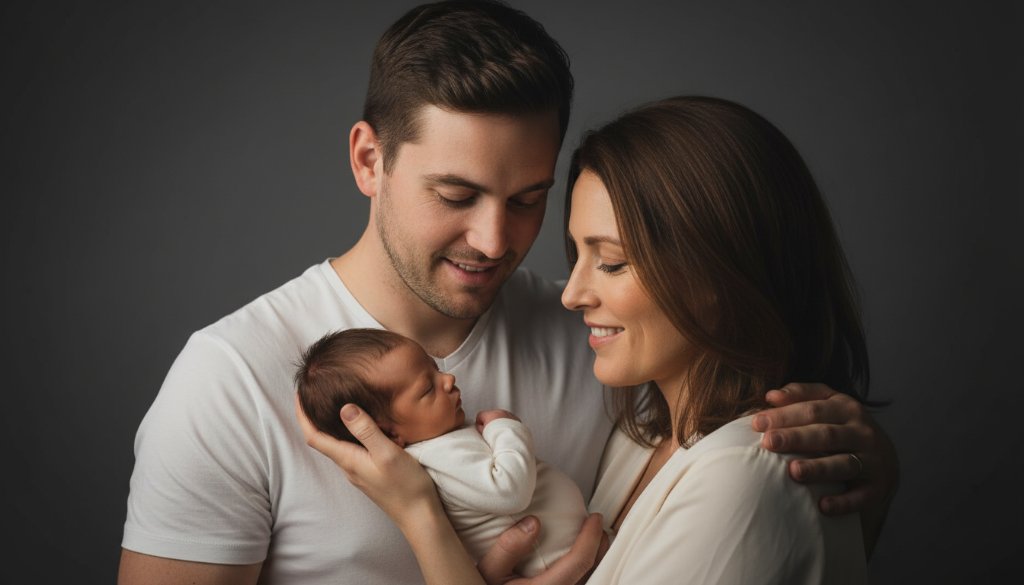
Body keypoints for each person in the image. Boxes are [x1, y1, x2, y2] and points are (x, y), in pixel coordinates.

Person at [120, 2, 898, 583]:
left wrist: (867, 471)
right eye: (456, 194)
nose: (495, 241)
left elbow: (735, 497)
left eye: (527, 198)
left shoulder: (601, 342)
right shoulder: (230, 380)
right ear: (368, 160)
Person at [300, 95, 880, 584]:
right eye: (577, 255)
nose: (571, 294)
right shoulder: (645, 430)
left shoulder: (745, 478)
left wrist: (420, 514)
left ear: (720, 277)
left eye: (612, 263)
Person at [295, 327, 589, 577]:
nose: (448, 380)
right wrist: (506, 428)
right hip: (554, 560)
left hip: (565, 548)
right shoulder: (437, 457)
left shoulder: (445, 439)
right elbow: (510, 491)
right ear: (389, 434)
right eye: (427, 389)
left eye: (435, 369)